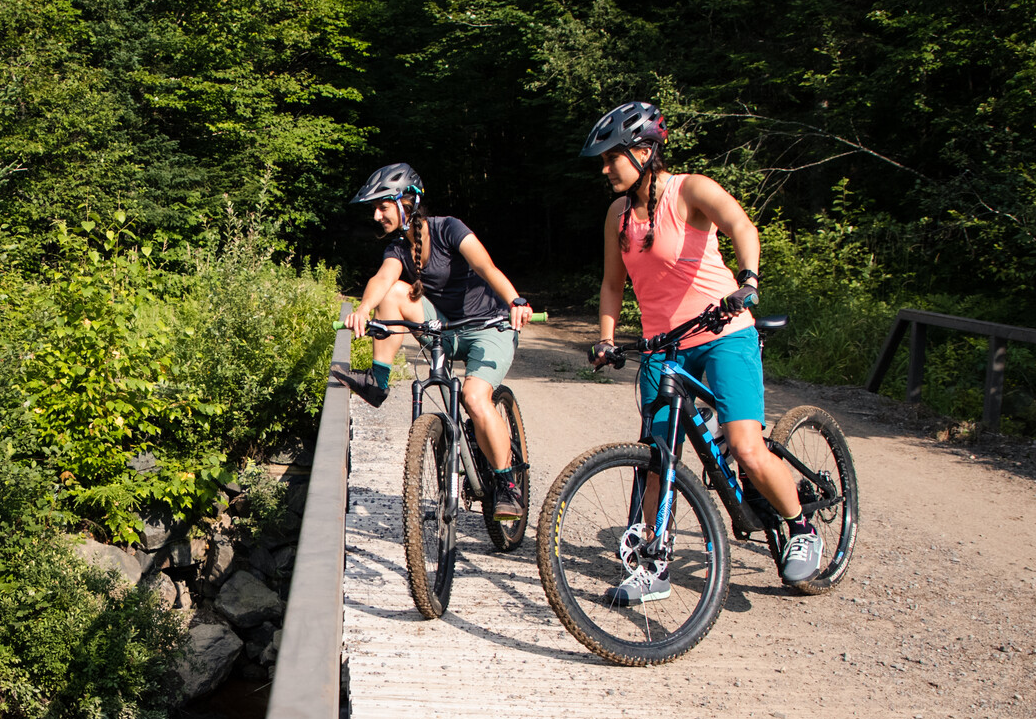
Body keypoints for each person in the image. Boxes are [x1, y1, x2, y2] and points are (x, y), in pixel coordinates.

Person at [580, 102, 822, 603]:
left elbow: (741, 226)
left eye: (611, 157)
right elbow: (611, 283)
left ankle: (801, 526)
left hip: (723, 332)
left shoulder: (691, 190)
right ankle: (653, 564)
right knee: (656, 459)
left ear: (644, 151)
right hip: (663, 348)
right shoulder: (618, 215)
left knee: (747, 448)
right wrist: (606, 337)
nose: (604, 169)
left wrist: (748, 280)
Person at [335, 163, 534, 519]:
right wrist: (364, 309)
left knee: (474, 397)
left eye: (383, 205)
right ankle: (378, 381)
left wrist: (515, 301)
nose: (376, 215)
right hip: (445, 330)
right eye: (374, 209)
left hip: (489, 326)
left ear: (408, 201)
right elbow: (383, 280)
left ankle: (507, 485)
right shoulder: (398, 249)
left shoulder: (448, 228)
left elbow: (487, 267)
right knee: (394, 294)